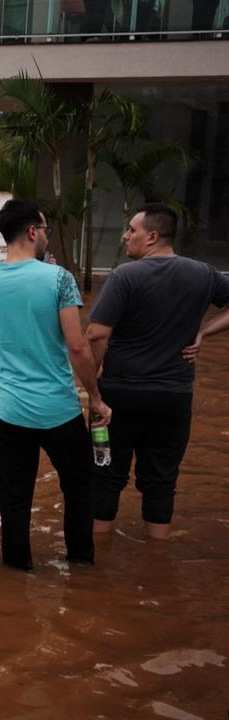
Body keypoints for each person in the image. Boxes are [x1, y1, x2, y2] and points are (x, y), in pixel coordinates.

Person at [0, 199, 110, 571]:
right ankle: (80, 565)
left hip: (9, 409)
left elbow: (2, 332)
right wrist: (95, 398)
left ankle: (18, 570)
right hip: (58, 409)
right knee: (79, 488)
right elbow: (78, 346)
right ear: (33, 232)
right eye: (45, 229)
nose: (46, 235)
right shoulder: (59, 278)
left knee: (15, 496)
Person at [86, 203, 229, 540]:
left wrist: (92, 393)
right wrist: (204, 332)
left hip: (118, 397)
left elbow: (96, 334)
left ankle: (94, 559)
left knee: (106, 472)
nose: (124, 237)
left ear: (152, 236)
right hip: (174, 397)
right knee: (162, 480)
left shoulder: (124, 276)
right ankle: (157, 560)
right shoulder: (204, 273)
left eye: (131, 230)